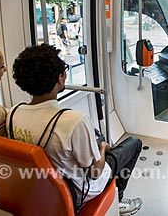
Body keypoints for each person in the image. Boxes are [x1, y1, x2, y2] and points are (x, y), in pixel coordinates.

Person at [9, 44, 142, 214]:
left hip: (41, 188)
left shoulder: (13, 113)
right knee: (133, 143)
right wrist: (102, 149)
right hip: (79, 191)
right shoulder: (73, 121)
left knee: (96, 136)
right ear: (60, 77)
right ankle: (119, 199)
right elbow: (94, 172)